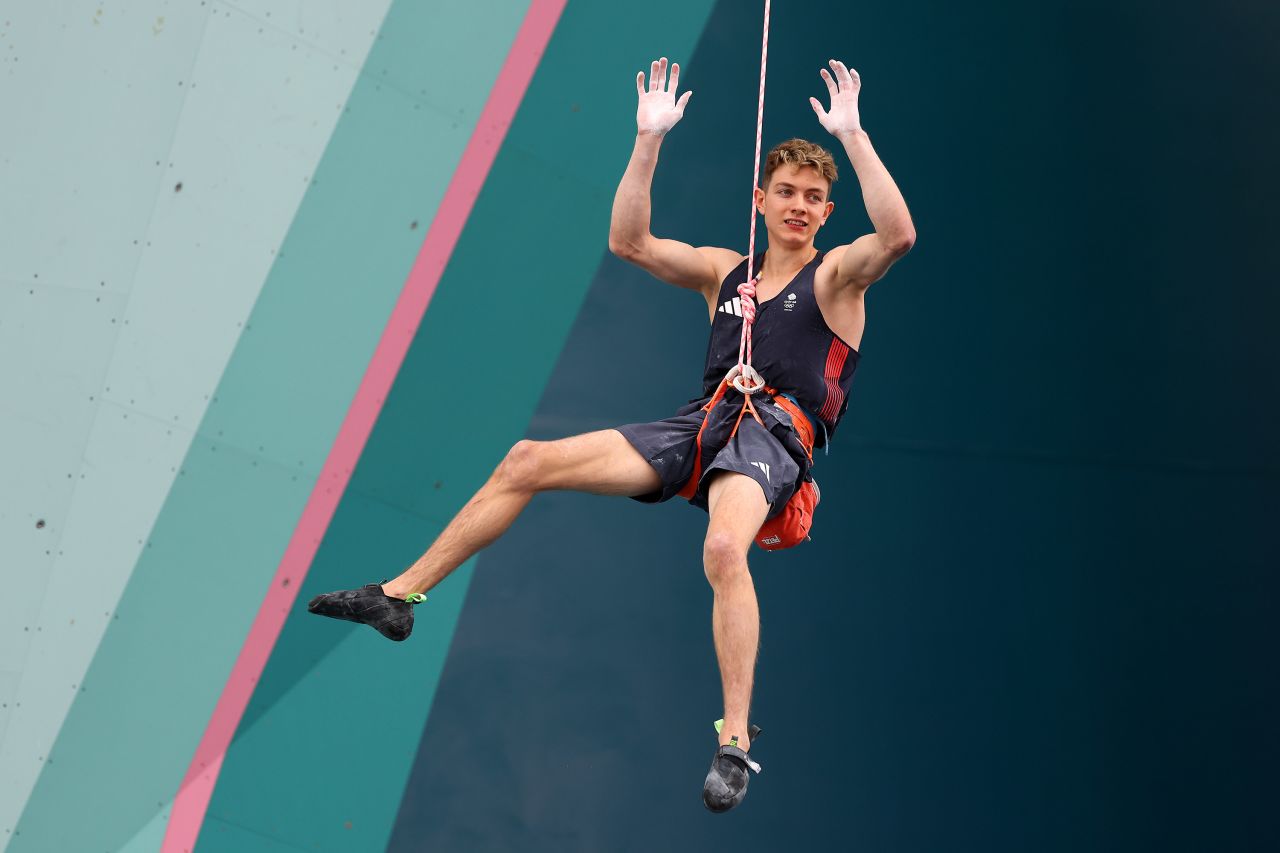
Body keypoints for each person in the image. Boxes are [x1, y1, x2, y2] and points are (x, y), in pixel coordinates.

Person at [308, 56, 915, 813]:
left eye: (814, 199)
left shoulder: (834, 279)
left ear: (827, 213)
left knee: (724, 548)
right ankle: (400, 595)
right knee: (527, 459)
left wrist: (854, 138)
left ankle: (735, 740)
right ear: (759, 200)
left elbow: (896, 234)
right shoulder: (727, 271)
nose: (800, 205)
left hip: (772, 435)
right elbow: (630, 242)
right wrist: (647, 141)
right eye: (786, 193)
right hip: (706, 423)